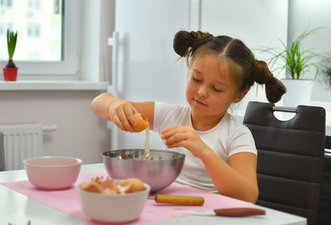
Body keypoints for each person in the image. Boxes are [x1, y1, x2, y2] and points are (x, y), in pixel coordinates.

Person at [91, 30, 286, 203]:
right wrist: (115, 106)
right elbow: (98, 103)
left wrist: (203, 150)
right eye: (196, 79)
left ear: (238, 95)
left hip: (211, 216)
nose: (201, 92)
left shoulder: (237, 135)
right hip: (167, 207)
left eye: (217, 89)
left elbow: (248, 195)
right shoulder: (169, 115)